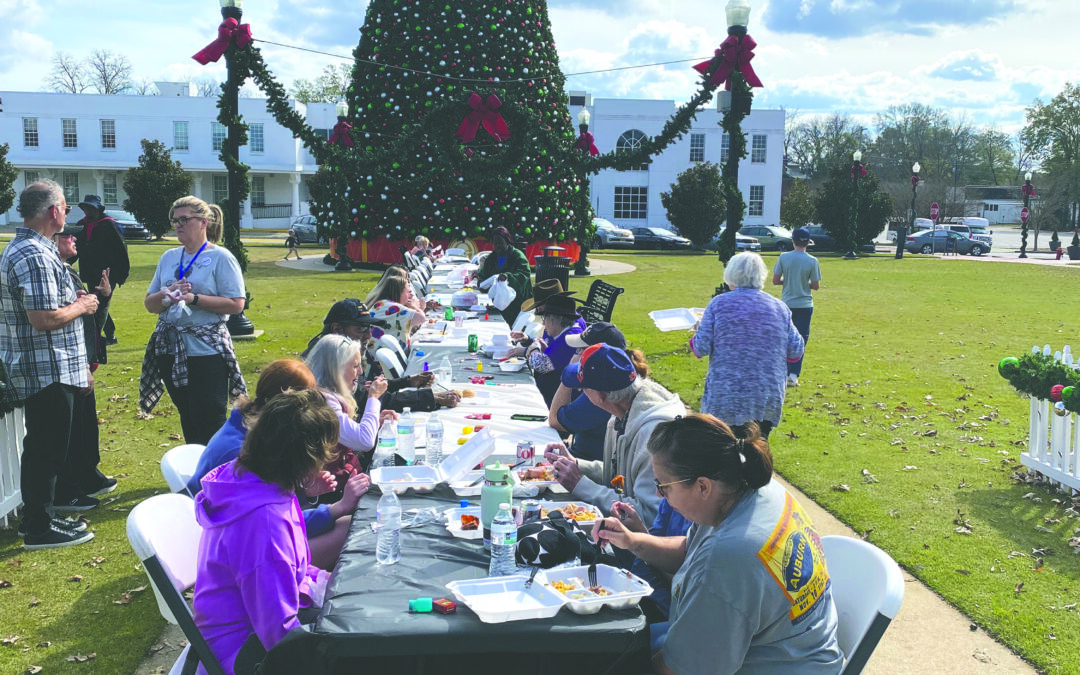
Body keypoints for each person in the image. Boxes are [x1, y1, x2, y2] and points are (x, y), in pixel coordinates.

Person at [593, 414, 842, 674]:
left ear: (703, 487)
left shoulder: (728, 558)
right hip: (792, 648)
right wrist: (634, 541)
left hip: (778, 664)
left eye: (663, 485)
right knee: (617, 643)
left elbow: (679, 669)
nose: (658, 494)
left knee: (608, 657)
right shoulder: (754, 488)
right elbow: (689, 550)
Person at [194, 388, 340, 675]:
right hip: (243, 652)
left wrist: (332, 581)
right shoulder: (265, 525)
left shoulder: (252, 482)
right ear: (306, 459)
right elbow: (280, 634)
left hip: (253, 630)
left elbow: (292, 573)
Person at [186, 359, 369, 570]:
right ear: (285, 402)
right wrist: (336, 509)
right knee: (350, 530)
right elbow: (271, 522)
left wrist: (306, 494)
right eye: (306, 398)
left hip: (240, 545)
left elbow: (277, 509)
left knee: (349, 526)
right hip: (235, 555)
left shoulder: (256, 433)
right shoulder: (242, 454)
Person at [0, 181, 99, 548]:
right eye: (65, 208)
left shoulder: (32, 251)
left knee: (46, 447)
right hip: (46, 369)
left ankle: (40, 519)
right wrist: (83, 307)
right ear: (54, 211)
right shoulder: (35, 255)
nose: (67, 215)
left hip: (50, 367)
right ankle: (39, 527)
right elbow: (42, 318)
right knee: (46, 450)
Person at [140, 196, 247, 445]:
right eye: (174, 221)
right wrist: (166, 296)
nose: (178, 225)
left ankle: (216, 476)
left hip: (205, 351)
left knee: (210, 418)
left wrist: (194, 298)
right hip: (170, 348)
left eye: (184, 220)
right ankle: (195, 475)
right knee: (187, 415)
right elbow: (149, 304)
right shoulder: (169, 257)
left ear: (203, 222)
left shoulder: (221, 257)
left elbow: (236, 303)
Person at [543, 344, 685, 528]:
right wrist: (577, 465)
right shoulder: (624, 412)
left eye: (583, 388)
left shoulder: (654, 435)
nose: (581, 393)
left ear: (600, 395)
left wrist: (581, 484)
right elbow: (622, 477)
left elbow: (648, 515)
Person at [690, 252, 804, 438]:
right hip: (766, 394)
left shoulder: (719, 304)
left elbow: (701, 347)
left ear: (731, 275)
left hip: (727, 393)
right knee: (759, 451)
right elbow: (796, 349)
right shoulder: (779, 308)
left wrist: (698, 330)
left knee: (725, 451)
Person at [302, 299, 459, 412]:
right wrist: (431, 398)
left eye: (369, 328)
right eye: (361, 328)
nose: (369, 335)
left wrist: (407, 382)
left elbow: (366, 387)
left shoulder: (336, 351)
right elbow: (369, 399)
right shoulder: (329, 360)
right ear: (337, 330)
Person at [54, 230, 118, 504]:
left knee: (86, 426)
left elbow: (90, 322)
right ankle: (69, 488)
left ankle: (87, 474)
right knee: (71, 431)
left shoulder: (70, 272)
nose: (74, 238)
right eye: (66, 235)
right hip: (68, 363)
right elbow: (63, 323)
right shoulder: (52, 273)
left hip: (82, 360)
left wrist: (102, 298)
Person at [547, 321, 635, 461]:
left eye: (581, 349)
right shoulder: (620, 377)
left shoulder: (603, 390)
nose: (577, 353)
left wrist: (569, 376)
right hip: (588, 461)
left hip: (586, 461)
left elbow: (555, 420)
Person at [304, 334, 390, 464]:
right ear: (336, 368)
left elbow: (351, 436)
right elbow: (364, 441)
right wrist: (374, 397)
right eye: (355, 366)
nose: (360, 372)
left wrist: (374, 422)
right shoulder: (323, 402)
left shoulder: (328, 395)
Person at [71, 194, 129, 345]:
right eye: (86, 208)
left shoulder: (109, 225)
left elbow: (121, 251)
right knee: (98, 304)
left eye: (91, 208)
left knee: (100, 303)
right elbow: (75, 249)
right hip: (90, 273)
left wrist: (122, 275)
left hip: (108, 274)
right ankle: (106, 335)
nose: (88, 212)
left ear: (97, 209)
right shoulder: (81, 225)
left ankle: (104, 335)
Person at [516, 293, 585, 406]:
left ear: (558, 319)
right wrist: (530, 342)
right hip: (549, 392)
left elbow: (542, 366)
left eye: (545, 318)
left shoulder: (570, 338)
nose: (543, 323)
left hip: (554, 400)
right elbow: (552, 353)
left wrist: (532, 350)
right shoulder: (561, 333)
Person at [773, 227, 820, 387]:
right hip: (805, 304)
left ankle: (782, 372)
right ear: (808, 242)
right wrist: (802, 282)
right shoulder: (812, 261)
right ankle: (793, 374)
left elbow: (775, 280)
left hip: (787, 304)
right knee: (801, 339)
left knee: (784, 338)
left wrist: (789, 280)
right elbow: (815, 285)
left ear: (792, 241)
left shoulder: (784, 258)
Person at [473, 225, 532, 326]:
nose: (498, 246)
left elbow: (524, 275)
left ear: (507, 241)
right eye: (495, 243)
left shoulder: (517, 256)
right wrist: (482, 283)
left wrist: (507, 277)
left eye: (500, 243)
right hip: (499, 304)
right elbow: (483, 276)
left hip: (518, 303)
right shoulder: (491, 258)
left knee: (515, 329)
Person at [363, 267, 426, 355]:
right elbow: (421, 318)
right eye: (408, 292)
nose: (410, 296)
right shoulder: (391, 307)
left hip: (381, 354)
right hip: (379, 361)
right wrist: (415, 307)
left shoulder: (384, 303)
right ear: (399, 292)